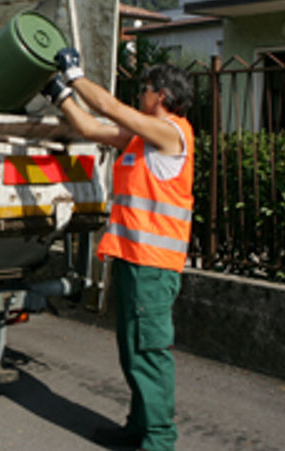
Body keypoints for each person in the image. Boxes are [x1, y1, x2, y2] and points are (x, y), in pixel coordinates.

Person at [45, 49, 194, 451]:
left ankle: (159, 441)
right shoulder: (142, 138)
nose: (140, 95)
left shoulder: (171, 132)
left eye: (144, 89)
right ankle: (138, 428)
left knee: (149, 352)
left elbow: (109, 107)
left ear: (160, 96)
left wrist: (74, 72)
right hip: (133, 260)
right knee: (132, 350)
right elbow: (91, 128)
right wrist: (58, 93)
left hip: (154, 266)